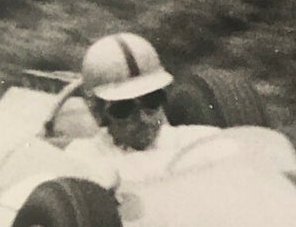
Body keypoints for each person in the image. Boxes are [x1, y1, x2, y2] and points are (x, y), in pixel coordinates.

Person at [62, 33, 219, 192]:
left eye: (152, 100)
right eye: (124, 108)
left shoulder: (196, 141)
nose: (144, 119)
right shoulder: (83, 156)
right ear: (99, 113)